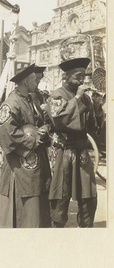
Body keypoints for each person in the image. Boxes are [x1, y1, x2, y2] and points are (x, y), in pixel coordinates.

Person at [0, 63, 52, 228]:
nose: (37, 82)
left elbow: (42, 122)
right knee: (24, 199)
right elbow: (6, 133)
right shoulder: (11, 104)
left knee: (37, 195)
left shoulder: (32, 100)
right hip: (20, 162)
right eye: (34, 79)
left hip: (36, 160)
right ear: (26, 82)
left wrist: (44, 130)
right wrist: (32, 142)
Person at [46, 57, 97, 228]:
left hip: (81, 149)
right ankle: (58, 226)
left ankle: (86, 226)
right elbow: (58, 120)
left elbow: (92, 125)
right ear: (66, 76)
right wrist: (77, 98)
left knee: (88, 192)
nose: (82, 80)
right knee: (61, 192)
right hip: (64, 150)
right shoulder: (57, 94)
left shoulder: (85, 98)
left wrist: (94, 104)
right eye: (78, 76)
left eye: (83, 76)